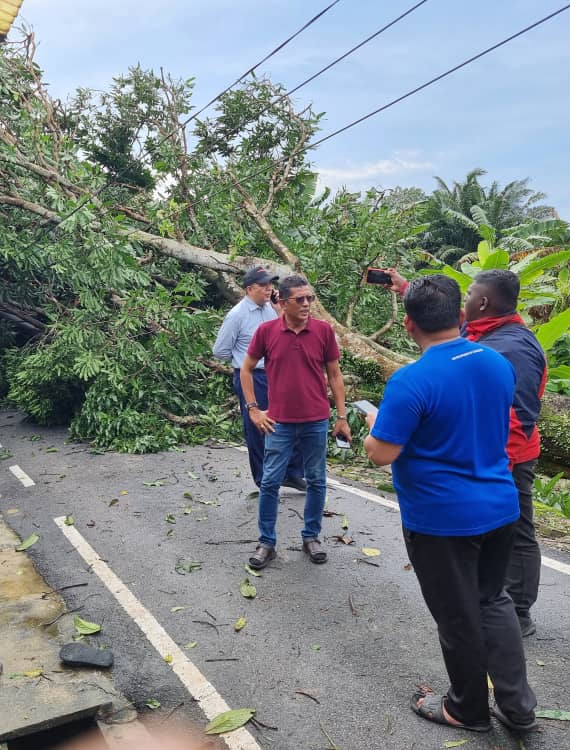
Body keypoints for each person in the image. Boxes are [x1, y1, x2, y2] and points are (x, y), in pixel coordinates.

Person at [364, 275, 537, 734]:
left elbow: (382, 453)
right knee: (493, 600)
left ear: (407, 324)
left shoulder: (411, 381)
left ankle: (466, 709)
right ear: (461, 316)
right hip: (500, 505)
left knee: (457, 616)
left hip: (442, 519)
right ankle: (518, 706)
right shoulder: (496, 363)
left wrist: (375, 424)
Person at [387, 268, 546, 636]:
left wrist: (487, 459)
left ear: (483, 303)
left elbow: (518, 416)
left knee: (518, 531)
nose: (466, 299)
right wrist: (407, 289)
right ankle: (491, 602)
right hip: (484, 455)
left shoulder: (512, 348)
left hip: (507, 455)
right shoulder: (481, 333)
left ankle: (519, 610)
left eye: (470, 293)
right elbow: (443, 327)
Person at [240, 274, 351, 570]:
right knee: (270, 481)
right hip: (279, 422)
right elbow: (246, 369)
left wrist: (341, 417)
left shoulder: (323, 331)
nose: (306, 304)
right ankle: (267, 542)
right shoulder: (266, 332)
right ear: (284, 302)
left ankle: (311, 537)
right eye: (299, 300)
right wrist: (254, 409)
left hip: (316, 419)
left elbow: (335, 375)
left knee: (316, 479)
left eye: (309, 298)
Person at [212, 267, 305, 491]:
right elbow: (220, 350)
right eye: (264, 286)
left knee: (293, 421)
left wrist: (277, 308)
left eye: (270, 285)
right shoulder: (237, 315)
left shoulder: (270, 309)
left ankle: (292, 473)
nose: (269, 289)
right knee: (258, 427)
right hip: (252, 377)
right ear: (250, 289)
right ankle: (265, 479)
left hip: (277, 373)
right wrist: (242, 360)